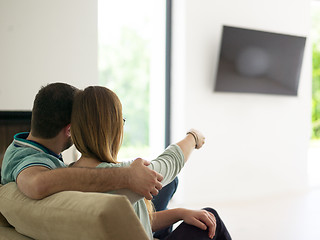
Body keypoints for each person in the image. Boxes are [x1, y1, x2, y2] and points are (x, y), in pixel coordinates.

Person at [70, 86, 232, 240]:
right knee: (210, 218)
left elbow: (139, 221)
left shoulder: (66, 174)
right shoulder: (117, 177)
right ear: (112, 127)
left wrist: (181, 213)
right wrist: (194, 136)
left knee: (181, 197)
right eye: (122, 120)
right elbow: (171, 162)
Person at [1, 82, 163, 201]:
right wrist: (127, 176)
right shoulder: (31, 161)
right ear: (71, 130)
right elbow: (37, 184)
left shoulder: (19, 148)